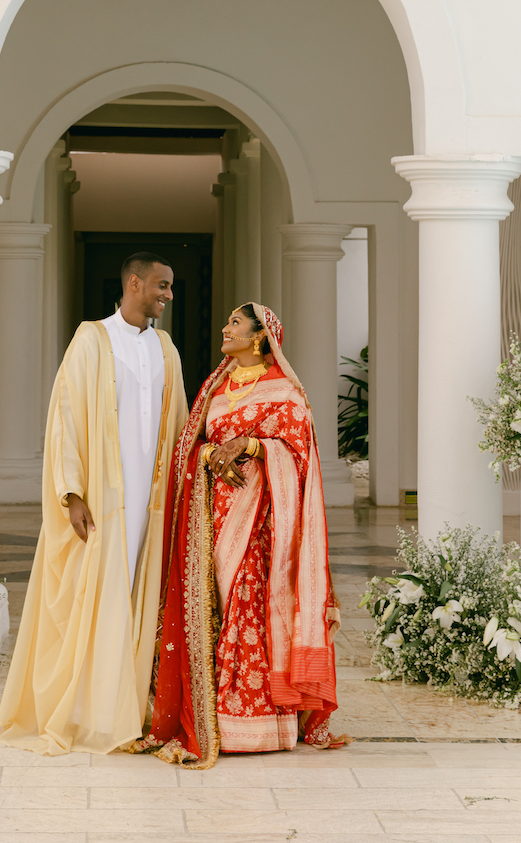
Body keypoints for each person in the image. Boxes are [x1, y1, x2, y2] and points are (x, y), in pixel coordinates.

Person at [134, 302, 345, 768]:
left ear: (258, 337)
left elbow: (301, 455)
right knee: (212, 610)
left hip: (262, 521)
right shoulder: (216, 386)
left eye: (235, 323)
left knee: (249, 606)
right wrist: (211, 455)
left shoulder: (286, 391)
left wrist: (251, 445)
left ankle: (252, 723)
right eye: (226, 320)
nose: (225, 328)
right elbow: (192, 446)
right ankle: (208, 714)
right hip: (211, 517)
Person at [0, 252, 188, 755]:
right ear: (134, 282)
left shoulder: (166, 349)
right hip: (102, 500)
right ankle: (87, 713)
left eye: (170, 287)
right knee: (96, 600)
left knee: (139, 600)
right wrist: (72, 492)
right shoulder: (91, 340)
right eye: (162, 285)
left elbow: (182, 426)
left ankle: (130, 711)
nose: (169, 295)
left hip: (153, 499)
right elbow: (64, 418)